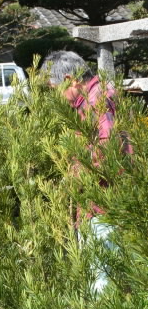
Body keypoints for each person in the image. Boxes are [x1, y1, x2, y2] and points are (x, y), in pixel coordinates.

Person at [40, 50, 132, 292]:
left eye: (53, 88)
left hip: (105, 204)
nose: (56, 97)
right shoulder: (96, 96)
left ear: (70, 80)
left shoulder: (98, 100)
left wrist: (72, 180)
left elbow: (106, 149)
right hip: (101, 202)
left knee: (104, 284)